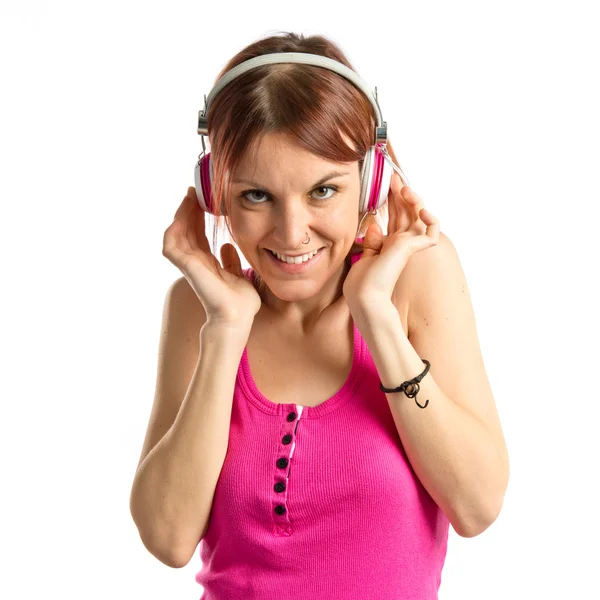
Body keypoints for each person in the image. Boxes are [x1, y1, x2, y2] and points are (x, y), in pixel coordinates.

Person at [130, 31, 508, 600]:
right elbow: (167, 537)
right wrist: (226, 330)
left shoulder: (418, 278)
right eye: (256, 195)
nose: (291, 232)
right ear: (215, 192)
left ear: (371, 180)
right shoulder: (200, 308)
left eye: (323, 191)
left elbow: (477, 506)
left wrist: (377, 318)